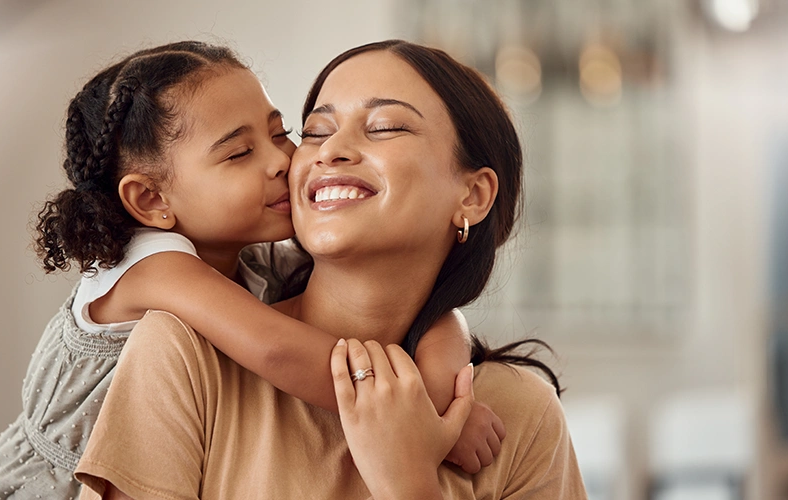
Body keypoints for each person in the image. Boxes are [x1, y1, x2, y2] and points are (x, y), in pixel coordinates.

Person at [0, 41, 504, 500]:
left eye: (280, 133)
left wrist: (445, 386)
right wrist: (417, 419)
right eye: (239, 153)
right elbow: (277, 349)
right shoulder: (154, 270)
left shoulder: (254, 259)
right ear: (152, 199)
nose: (279, 161)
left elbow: (427, 302)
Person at [75, 40, 586, 499]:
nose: (330, 151)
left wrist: (408, 484)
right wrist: (424, 411)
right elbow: (275, 347)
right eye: (317, 131)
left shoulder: (521, 416)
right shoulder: (182, 353)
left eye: (385, 127)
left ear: (472, 196)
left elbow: (442, 317)